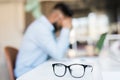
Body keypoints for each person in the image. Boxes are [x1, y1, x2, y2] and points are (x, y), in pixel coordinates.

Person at [14, 3, 73, 78]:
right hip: (26, 73)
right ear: (57, 17)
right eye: (64, 22)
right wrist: (66, 28)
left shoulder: (47, 29)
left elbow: (57, 53)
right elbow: (59, 55)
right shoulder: (40, 28)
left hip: (34, 70)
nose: (61, 26)